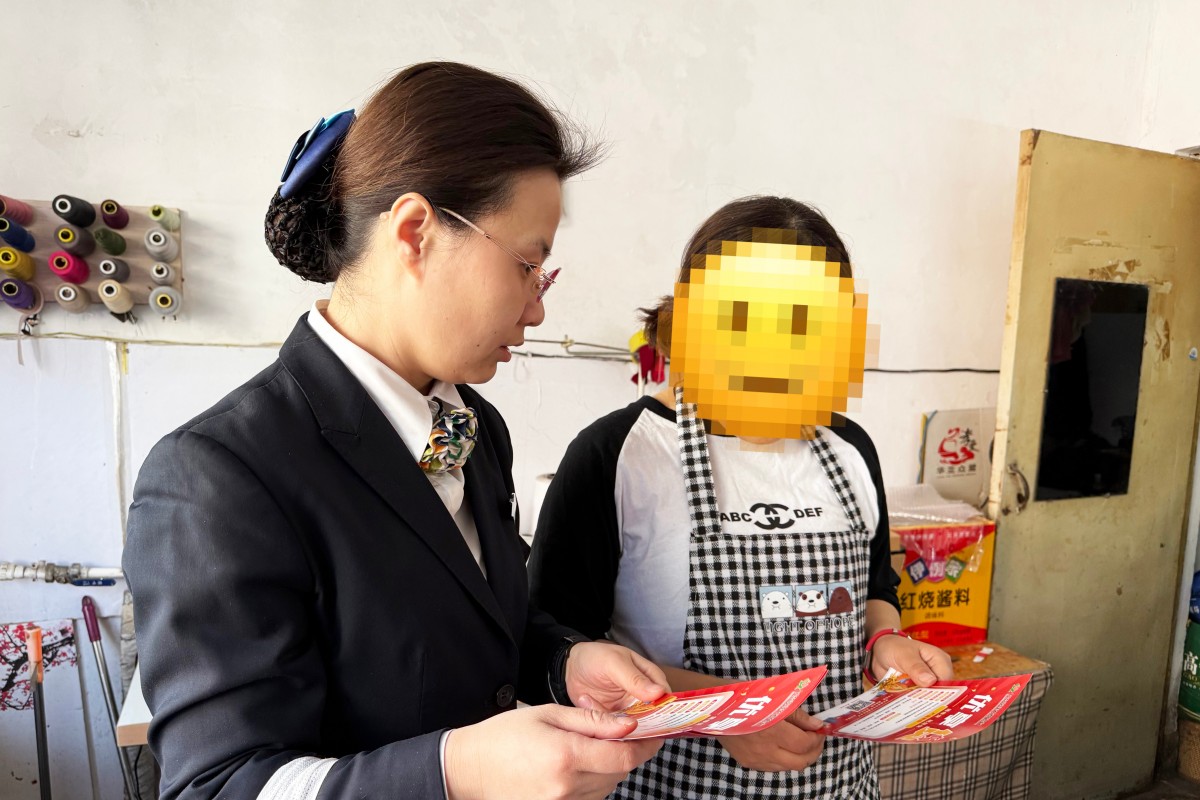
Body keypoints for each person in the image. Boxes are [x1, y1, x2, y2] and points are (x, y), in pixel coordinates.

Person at [123, 62, 669, 800]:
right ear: (415, 231)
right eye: (527, 266)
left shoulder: (475, 427)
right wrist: (454, 771)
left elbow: (481, 619)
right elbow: (218, 785)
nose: (537, 310)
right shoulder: (219, 473)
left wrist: (564, 661)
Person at [528, 196, 953, 799]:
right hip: (669, 784)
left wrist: (887, 642)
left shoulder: (850, 448)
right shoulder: (617, 454)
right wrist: (725, 711)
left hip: (839, 784)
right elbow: (555, 650)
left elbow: (876, 589)